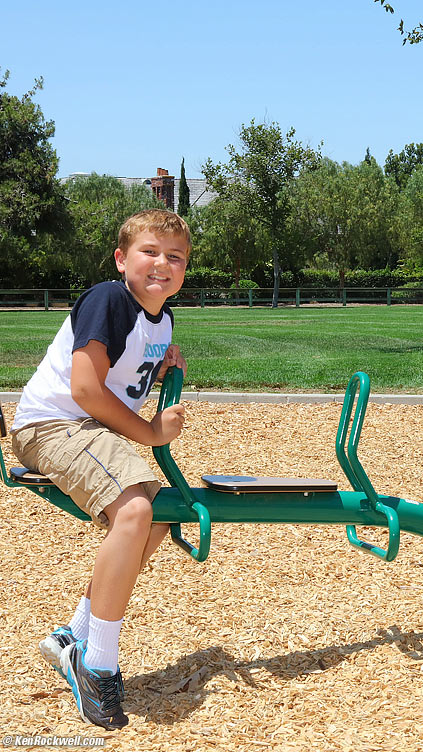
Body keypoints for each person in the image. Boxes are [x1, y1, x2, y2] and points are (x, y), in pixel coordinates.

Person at [10, 209, 190, 729]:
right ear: (121, 259)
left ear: (185, 269)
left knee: (160, 513)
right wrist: (151, 432)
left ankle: (75, 634)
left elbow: (124, 371)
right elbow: (85, 390)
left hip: (87, 430)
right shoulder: (109, 298)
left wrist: (163, 364)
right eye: (149, 252)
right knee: (135, 508)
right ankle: (98, 663)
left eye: (174, 257)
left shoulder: (162, 319)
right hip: (50, 425)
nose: (162, 264)